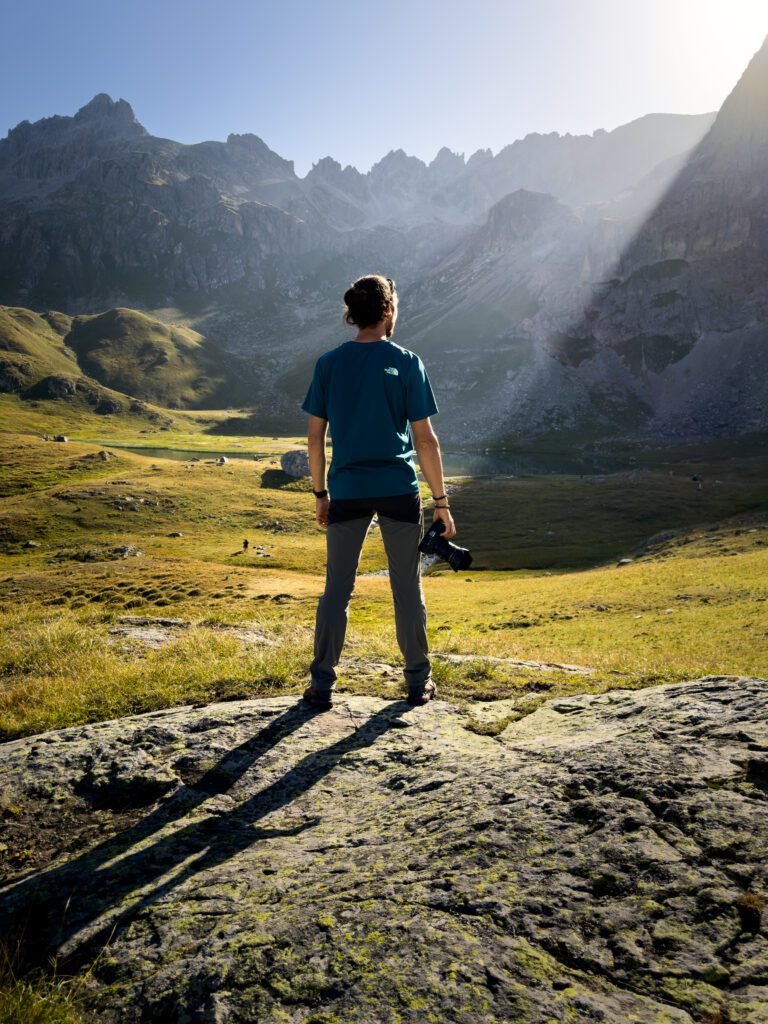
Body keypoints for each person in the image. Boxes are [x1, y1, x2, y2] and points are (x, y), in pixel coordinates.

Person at [300, 274, 455, 711]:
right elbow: (426, 441)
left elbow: (315, 438)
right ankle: (417, 682)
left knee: (337, 590)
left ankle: (321, 686)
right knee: (407, 588)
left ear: (354, 313)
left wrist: (320, 493)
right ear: (388, 311)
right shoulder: (407, 361)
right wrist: (441, 503)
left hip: (347, 490)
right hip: (398, 490)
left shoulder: (329, 363)